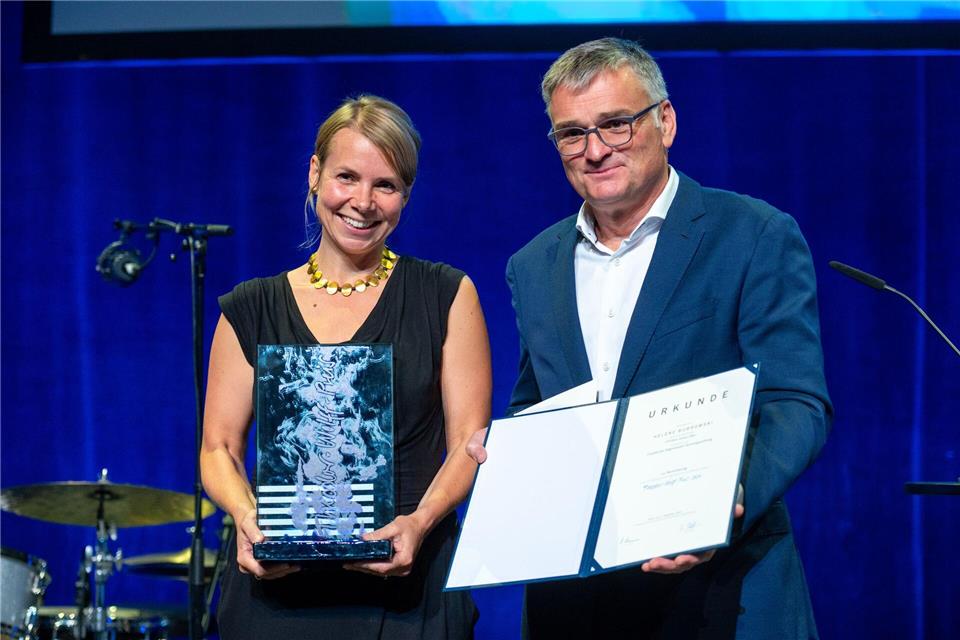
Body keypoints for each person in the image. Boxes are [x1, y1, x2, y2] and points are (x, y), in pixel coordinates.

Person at [468, 38, 832, 639]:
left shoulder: (753, 234)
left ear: (665, 120)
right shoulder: (533, 264)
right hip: (576, 604)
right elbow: (536, 405)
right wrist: (509, 458)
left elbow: (795, 402)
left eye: (615, 124)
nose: (595, 150)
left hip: (722, 592)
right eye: (572, 133)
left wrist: (726, 504)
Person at [201, 95, 491, 639]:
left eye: (385, 185)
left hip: (411, 594)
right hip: (277, 597)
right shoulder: (251, 307)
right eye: (346, 177)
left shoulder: (446, 295)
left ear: (406, 193)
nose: (363, 202)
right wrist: (246, 518)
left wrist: (418, 524)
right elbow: (218, 449)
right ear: (314, 174)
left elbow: (468, 445)